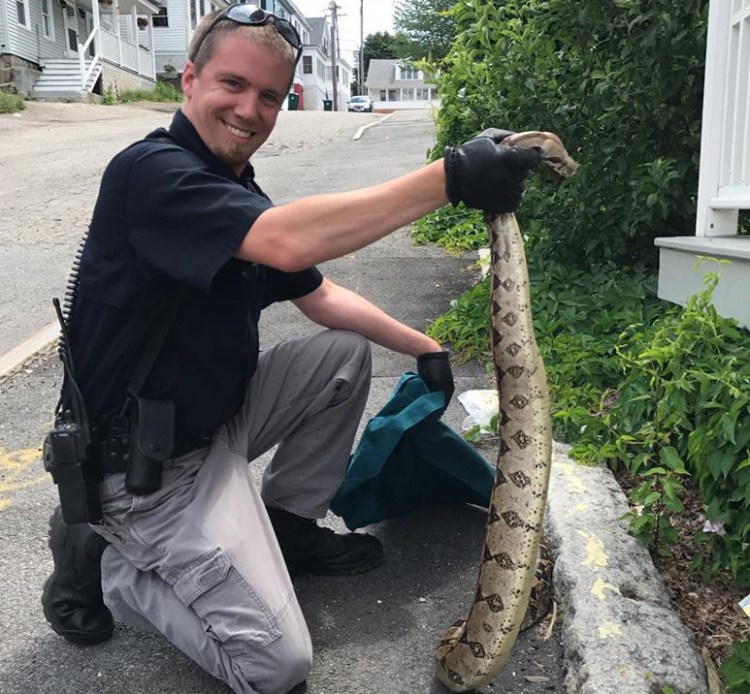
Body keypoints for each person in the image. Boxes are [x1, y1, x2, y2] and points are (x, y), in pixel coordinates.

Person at [40, 4, 540, 693]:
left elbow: (319, 294)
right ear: (189, 79)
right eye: (233, 84)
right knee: (275, 665)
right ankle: (114, 566)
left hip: (209, 426)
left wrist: (424, 347)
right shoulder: (150, 174)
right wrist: (448, 178)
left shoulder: (234, 191)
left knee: (340, 354)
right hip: (143, 476)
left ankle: (286, 525)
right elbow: (286, 241)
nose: (250, 109)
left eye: (270, 95)